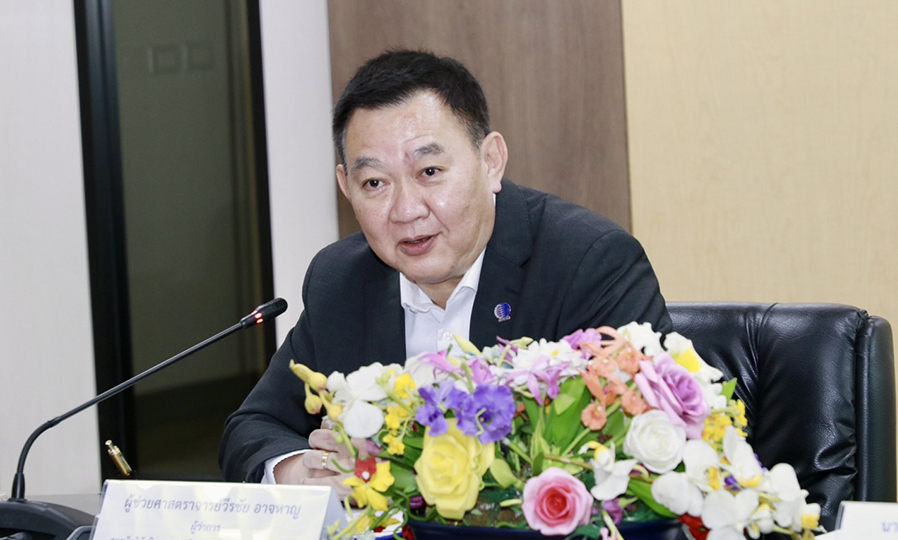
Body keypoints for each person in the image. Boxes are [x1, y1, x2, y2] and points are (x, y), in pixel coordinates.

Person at [219, 50, 671, 493]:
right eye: (374, 183)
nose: (406, 210)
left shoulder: (588, 263)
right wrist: (302, 472)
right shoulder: (340, 280)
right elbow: (254, 426)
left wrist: (404, 468)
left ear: (491, 161)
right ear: (346, 187)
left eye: (429, 171)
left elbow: (638, 444)